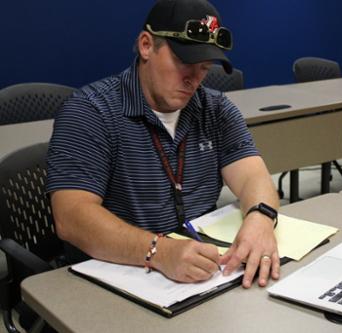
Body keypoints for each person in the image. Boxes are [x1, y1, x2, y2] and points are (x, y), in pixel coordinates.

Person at [47, 0, 280, 289]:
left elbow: (253, 176)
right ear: (146, 45)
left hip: (200, 275)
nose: (194, 80)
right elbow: (72, 217)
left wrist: (261, 218)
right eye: (184, 63)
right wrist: (158, 251)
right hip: (113, 277)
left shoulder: (216, 109)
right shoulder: (90, 112)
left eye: (204, 67)